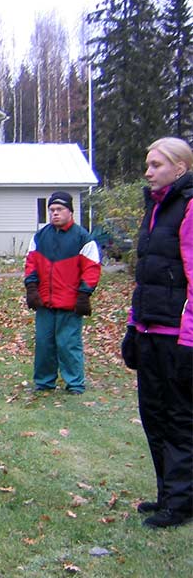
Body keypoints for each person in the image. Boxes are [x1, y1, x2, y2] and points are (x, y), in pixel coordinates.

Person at [120, 137, 192, 529]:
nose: (147, 172)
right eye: (147, 165)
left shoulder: (189, 207)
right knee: (154, 416)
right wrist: (133, 325)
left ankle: (181, 503)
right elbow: (144, 277)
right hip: (149, 330)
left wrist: (189, 339)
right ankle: (168, 493)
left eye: (156, 165)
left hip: (176, 335)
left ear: (179, 168)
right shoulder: (154, 208)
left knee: (180, 418)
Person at [24, 191, 101, 394]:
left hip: (70, 302)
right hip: (44, 302)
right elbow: (31, 264)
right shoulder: (40, 237)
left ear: (70, 211)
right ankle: (44, 382)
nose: (55, 213)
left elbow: (92, 268)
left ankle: (74, 383)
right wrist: (31, 288)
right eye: (51, 210)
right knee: (43, 344)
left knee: (68, 344)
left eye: (59, 209)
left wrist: (84, 294)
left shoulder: (83, 238)